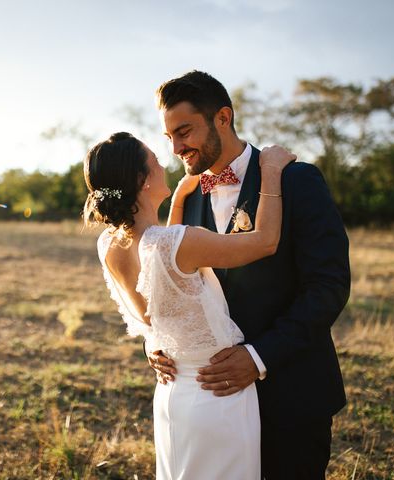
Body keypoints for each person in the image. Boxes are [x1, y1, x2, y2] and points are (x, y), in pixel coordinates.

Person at [148, 70, 351, 479]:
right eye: (169, 137)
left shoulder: (296, 180)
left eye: (184, 131)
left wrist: (259, 357)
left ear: (223, 117)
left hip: (290, 394)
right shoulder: (186, 199)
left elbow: (328, 287)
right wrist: (162, 343)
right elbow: (173, 289)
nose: (176, 148)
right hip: (214, 407)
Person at [83, 131, 296, 479]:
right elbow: (265, 241)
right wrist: (271, 172)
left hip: (172, 393)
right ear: (141, 178)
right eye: (154, 160)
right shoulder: (179, 243)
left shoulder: (109, 245)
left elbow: (163, 270)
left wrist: (179, 196)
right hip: (218, 392)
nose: (165, 162)